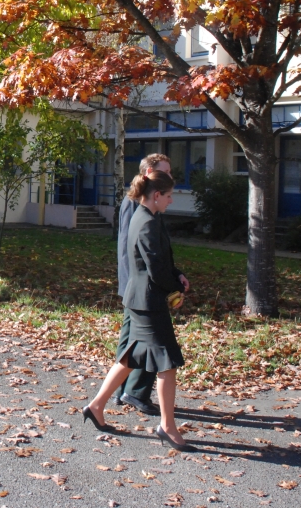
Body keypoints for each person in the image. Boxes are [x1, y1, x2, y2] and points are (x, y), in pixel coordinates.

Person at [86, 170, 193, 451]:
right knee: (167, 363)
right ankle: (167, 427)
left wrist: (178, 274)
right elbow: (155, 269)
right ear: (156, 195)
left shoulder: (147, 217)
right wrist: (176, 290)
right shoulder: (146, 222)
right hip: (148, 303)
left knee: (130, 357)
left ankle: (96, 407)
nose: (171, 201)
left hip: (141, 300)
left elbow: (160, 260)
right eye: (168, 196)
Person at [115, 153, 183, 414]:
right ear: (149, 174)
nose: (169, 176)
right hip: (138, 288)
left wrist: (175, 273)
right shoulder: (135, 203)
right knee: (140, 344)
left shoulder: (153, 204)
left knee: (137, 344)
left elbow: (159, 250)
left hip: (142, 287)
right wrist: (131, 286)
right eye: (165, 172)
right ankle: (129, 393)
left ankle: (122, 394)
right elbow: (128, 248)